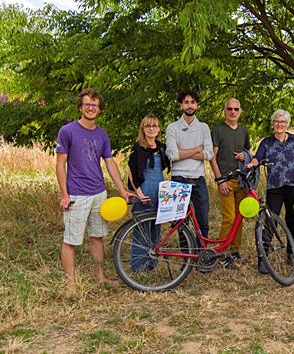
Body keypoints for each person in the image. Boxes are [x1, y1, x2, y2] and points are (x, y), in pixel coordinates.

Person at [56, 88, 134, 293]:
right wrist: (64, 194)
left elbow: (109, 163)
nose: (91, 108)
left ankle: (100, 278)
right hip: (76, 194)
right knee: (71, 240)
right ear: (80, 107)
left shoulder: (102, 134)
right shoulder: (68, 131)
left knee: (97, 237)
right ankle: (71, 284)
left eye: (95, 105)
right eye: (87, 104)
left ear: (100, 109)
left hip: (99, 193)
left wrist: (122, 190)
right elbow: (60, 165)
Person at [249, 109, 294, 273]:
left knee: (292, 221)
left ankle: (291, 253)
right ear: (273, 123)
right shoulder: (267, 142)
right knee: (270, 221)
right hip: (275, 187)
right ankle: (263, 257)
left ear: (287, 124)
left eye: (282, 122)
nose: (279, 124)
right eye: (276, 121)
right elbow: (258, 156)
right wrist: (253, 163)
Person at [166, 89, 214, 238]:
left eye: (193, 102)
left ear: (197, 105)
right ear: (181, 105)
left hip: (198, 179)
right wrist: (198, 149)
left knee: (203, 221)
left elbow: (209, 153)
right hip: (179, 179)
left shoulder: (203, 127)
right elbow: (172, 154)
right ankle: (186, 257)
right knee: (181, 222)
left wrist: (183, 153)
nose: (190, 106)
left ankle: (202, 252)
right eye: (186, 102)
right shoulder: (172, 127)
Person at [210, 98, 251, 269]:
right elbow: (212, 157)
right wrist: (220, 180)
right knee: (228, 218)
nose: (233, 112)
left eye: (236, 109)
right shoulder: (218, 130)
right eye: (229, 109)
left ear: (240, 111)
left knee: (239, 218)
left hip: (241, 180)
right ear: (224, 111)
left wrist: (244, 155)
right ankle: (222, 253)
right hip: (225, 180)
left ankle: (235, 250)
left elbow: (248, 153)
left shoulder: (243, 131)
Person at [127, 114, 171, 272]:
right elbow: (132, 172)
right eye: (148, 126)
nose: (151, 129)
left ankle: (152, 264)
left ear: (159, 129)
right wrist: (139, 193)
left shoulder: (162, 147)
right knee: (142, 231)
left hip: (160, 192)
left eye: (155, 126)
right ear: (143, 129)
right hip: (145, 191)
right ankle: (139, 267)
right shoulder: (138, 147)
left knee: (155, 230)